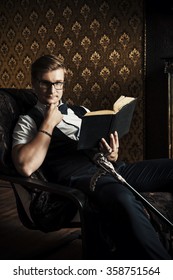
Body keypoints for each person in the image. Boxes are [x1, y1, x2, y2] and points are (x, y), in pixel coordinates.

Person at [12, 54, 173, 260]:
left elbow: (107, 155)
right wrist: (48, 124)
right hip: (85, 179)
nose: (53, 91)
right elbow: (25, 166)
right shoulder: (28, 122)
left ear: (64, 83)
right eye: (45, 83)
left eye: (58, 83)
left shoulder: (82, 112)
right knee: (122, 197)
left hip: (114, 170)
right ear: (34, 83)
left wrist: (111, 153)